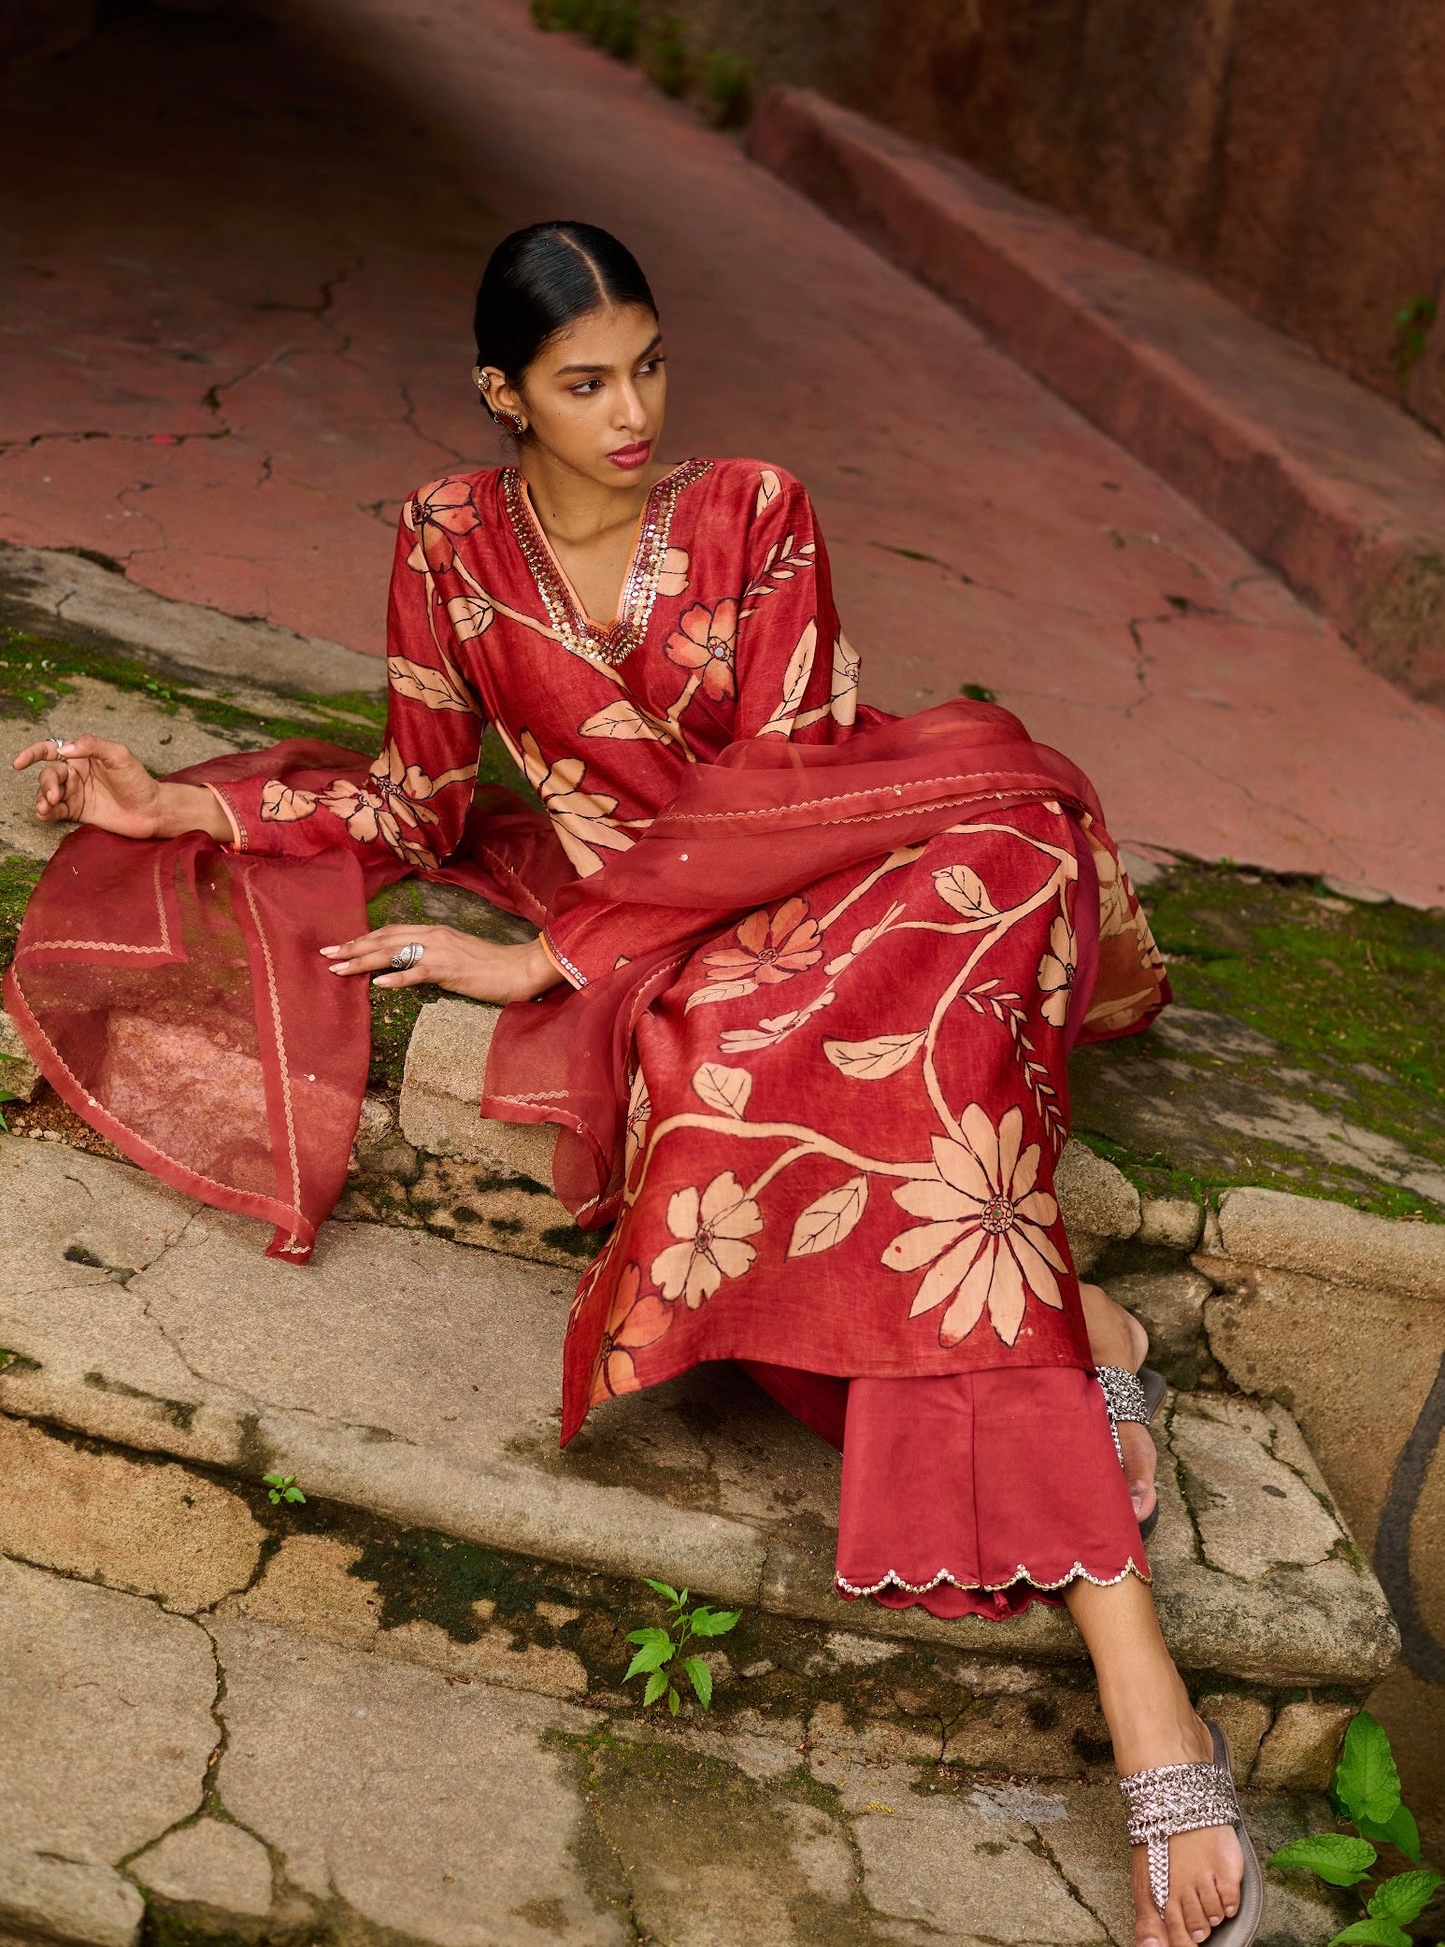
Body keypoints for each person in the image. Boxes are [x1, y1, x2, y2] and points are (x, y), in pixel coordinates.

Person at [10, 222, 1260, 1947]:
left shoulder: (756, 506)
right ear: (500, 394)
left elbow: (787, 780)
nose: (633, 408)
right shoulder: (446, 543)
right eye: (585, 381)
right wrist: (180, 814)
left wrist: (555, 958)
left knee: (854, 1072)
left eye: (649, 365)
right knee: (770, 1091)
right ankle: (1099, 1416)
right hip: (672, 925)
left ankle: (1140, 1698)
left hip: (886, 855)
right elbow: (418, 808)